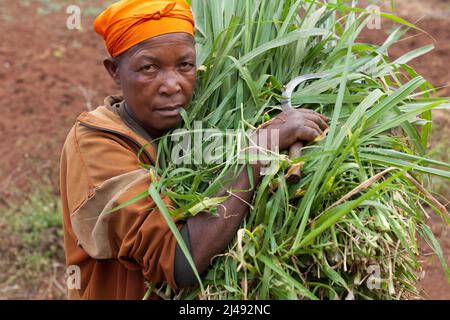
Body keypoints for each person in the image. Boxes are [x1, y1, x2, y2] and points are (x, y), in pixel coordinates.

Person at [60, 0, 330, 299]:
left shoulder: (198, 120)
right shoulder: (97, 145)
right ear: (115, 71)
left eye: (184, 65)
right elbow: (180, 261)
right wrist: (258, 150)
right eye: (149, 68)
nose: (172, 85)